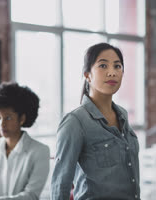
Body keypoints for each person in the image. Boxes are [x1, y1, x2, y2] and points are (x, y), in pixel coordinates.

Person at [51, 43, 140, 199]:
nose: (112, 72)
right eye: (103, 66)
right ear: (87, 75)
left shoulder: (123, 115)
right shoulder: (75, 122)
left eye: (117, 66)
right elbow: (61, 183)